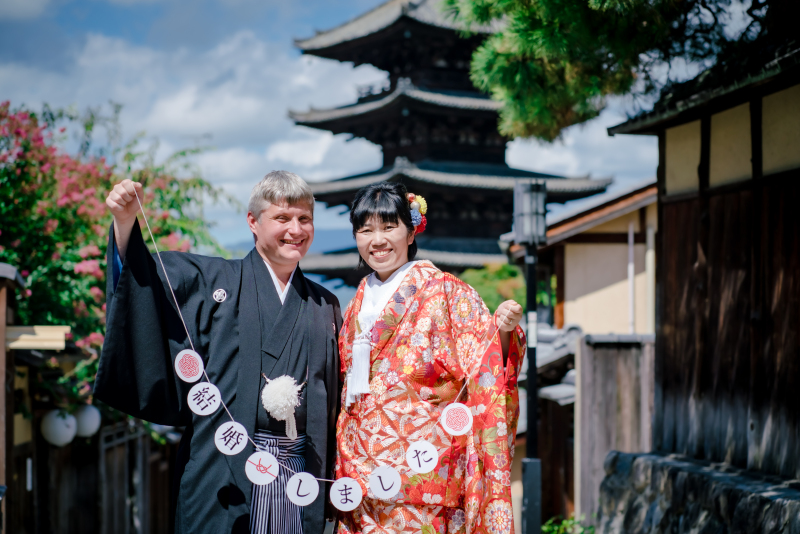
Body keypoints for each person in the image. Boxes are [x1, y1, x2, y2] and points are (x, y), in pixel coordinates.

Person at [95, 171, 341, 534]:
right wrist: (125, 223)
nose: (296, 229)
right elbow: (143, 281)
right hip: (223, 472)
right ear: (253, 223)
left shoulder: (326, 304)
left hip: (298, 478)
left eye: (304, 219)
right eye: (282, 218)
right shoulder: (213, 281)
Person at [334, 182, 525, 534]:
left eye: (389, 227)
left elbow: (484, 355)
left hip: (421, 467)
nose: (377, 240)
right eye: (366, 230)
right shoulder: (356, 301)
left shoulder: (443, 289)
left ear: (411, 232)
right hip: (359, 470)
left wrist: (503, 330)